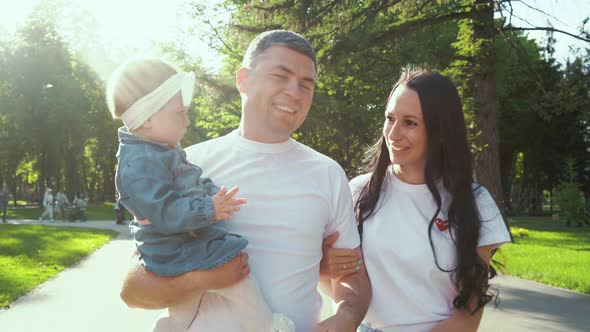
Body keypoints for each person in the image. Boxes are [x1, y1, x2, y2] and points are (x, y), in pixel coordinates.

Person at [119, 30, 371, 332]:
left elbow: (353, 275)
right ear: (243, 80)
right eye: (281, 76)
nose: (295, 91)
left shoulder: (328, 174)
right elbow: (133, 290)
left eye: (307, 84)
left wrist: (347, 316)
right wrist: (205, 279)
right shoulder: (185, 164)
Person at [108, 55, 303, 332]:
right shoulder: (140, 163)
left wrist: (214, 195)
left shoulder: (162, 152)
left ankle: (171, 327)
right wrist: (208, 209)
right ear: (148, 118)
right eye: (180, 113)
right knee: (238, 280)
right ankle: (267, 327)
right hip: (179, 245)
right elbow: (164, 210)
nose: (186, 122)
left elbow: (193, 181)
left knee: (185, 305)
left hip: (183, 242)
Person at [320, 67, 512, 332]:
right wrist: (322, 268)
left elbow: (469, 314)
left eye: (410, 122)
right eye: (390, 119)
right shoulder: (358, 192)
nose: (393, 134)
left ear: (440, 131)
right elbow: (339, 286)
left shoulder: (475, 202)